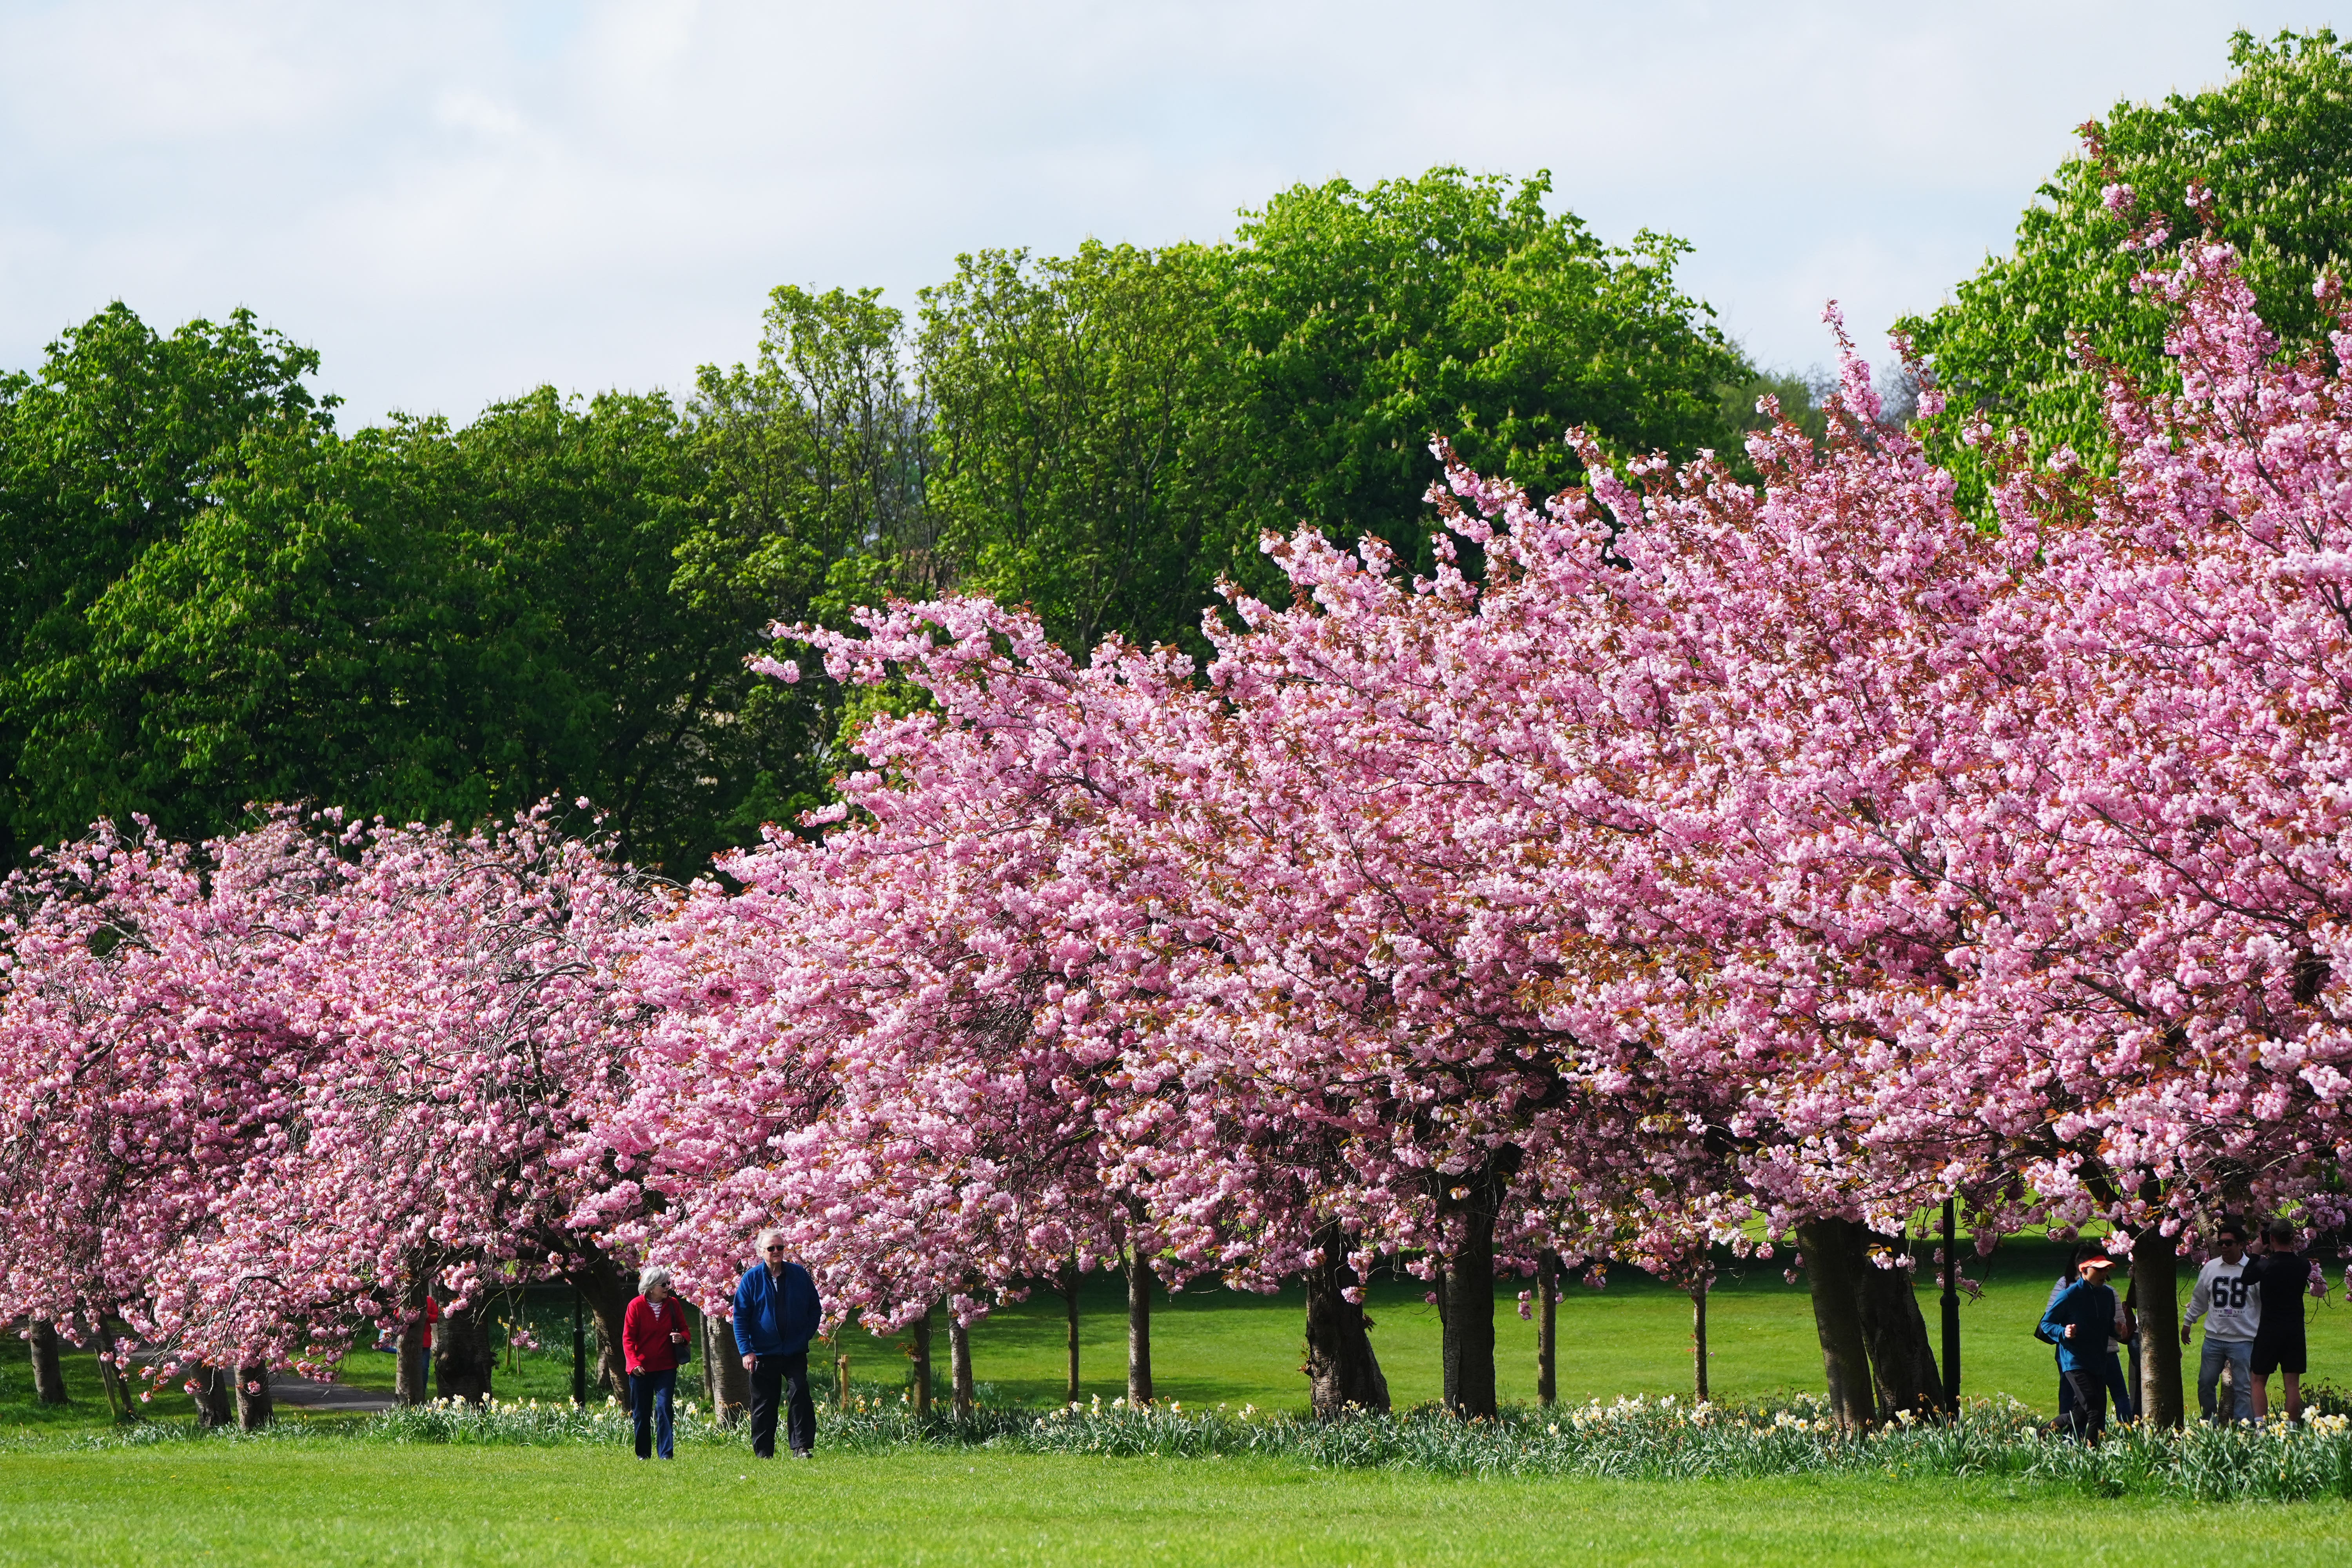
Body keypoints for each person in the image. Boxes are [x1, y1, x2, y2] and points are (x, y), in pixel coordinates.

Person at [734, 1228, 821, 1459]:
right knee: (764, 1402)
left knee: (800, 1392)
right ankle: (764, 1452)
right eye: (771, 1248)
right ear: (761, 1252)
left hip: (794, 1350)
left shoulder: (798, 1274)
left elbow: (815, 1308)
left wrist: (805, 1336)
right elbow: (740, 1317)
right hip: (763, 1353)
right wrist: (747, 1351)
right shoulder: (751, 1279)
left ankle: (801, 1447)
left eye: (780, 1248)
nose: (777, 1252)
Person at [2182, 1220, 2259, 1423]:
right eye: (2221, 1243)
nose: (2223, 1247)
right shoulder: (2211, 1268)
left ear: (2242, 1245)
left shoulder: (2254, 1269)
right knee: (2205, 1383)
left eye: (2229, 1243)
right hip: (2214, 1338)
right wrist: (2188, 1322)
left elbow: (2266, 1303)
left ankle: (2244, 1425)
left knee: (2244, 1386)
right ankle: (2210, 1422)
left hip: (2244, 1339)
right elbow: (2199, 1299)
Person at [2041, 1252, 2122, 1442]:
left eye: (2107, 1269)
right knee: (2094, 1409)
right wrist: (2064, 1332)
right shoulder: (2069, 1295)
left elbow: (2107, 1324)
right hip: (2075, 1362)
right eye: (2100, 1269)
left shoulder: (2108, 1295)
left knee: (2081, 1414)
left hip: (2098, 1361)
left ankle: (2043, 1432)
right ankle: (2092, 1452)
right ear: (2084, 1270)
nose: (2105, 1274)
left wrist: (2117, 1330)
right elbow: (2047, 1323)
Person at [622, 1265, 690, 1460]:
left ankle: (666, 1455)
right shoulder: (635, 1306)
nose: (668, 1287)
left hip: (666, 1367)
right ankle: (643, 1454)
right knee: (642, 1412)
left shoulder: (673, 1305)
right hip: (640, 1369)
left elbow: (686, 1330)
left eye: (668, 1283)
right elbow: (628, 1339)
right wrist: (634, 1363)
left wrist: (681, 1338)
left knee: (664, 1408)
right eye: (664, 1284)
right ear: (651, 1287)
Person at [2248, 1219, 2309, 1422]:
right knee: (2292, 1383)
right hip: (2294, 1328)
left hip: (2270, 1328)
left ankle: (2261, 1427)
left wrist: (2256, 1253)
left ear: (2271, 1238)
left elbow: (2246, 1278)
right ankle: (2291, 1428)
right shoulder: (2304, 1265)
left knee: (2258, 1379)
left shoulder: (2266, 1265)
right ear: (2292, 1238)